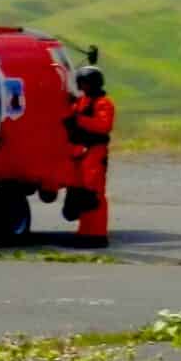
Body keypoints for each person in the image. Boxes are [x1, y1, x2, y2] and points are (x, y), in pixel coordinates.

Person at [62, 65, 116, 247]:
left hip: (95, 150)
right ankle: (85, 233)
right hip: (79, 151)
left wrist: (78, 120)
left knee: (94, 193)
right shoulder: (82, 101)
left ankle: (97, 235)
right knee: (80, 193)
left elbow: (103, 125)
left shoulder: (104, 103)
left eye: (85, 83)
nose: (82, 86)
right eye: (81, 82)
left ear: (93, 83)